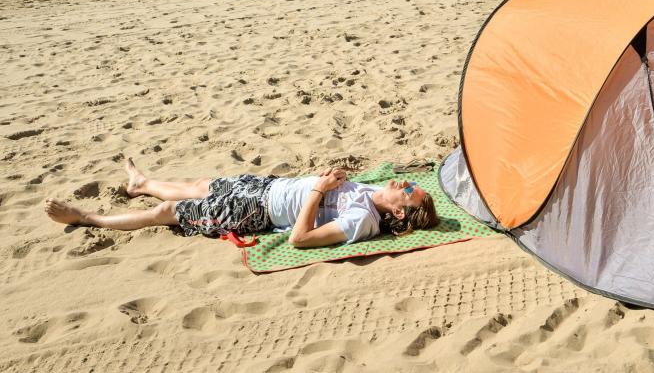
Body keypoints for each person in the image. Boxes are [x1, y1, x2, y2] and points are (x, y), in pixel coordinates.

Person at [44, 158, 439, 248]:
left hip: (258, 213)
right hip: (267, 187)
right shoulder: (370, 191)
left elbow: (299, 239)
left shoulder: (363, 221)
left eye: (409, 191)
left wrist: (319, 189)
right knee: (200, 185)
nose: (405, 183)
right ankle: (141, 183)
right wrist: (335, 177)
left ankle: (88, 217)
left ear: (400, 211)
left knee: (168, 214)